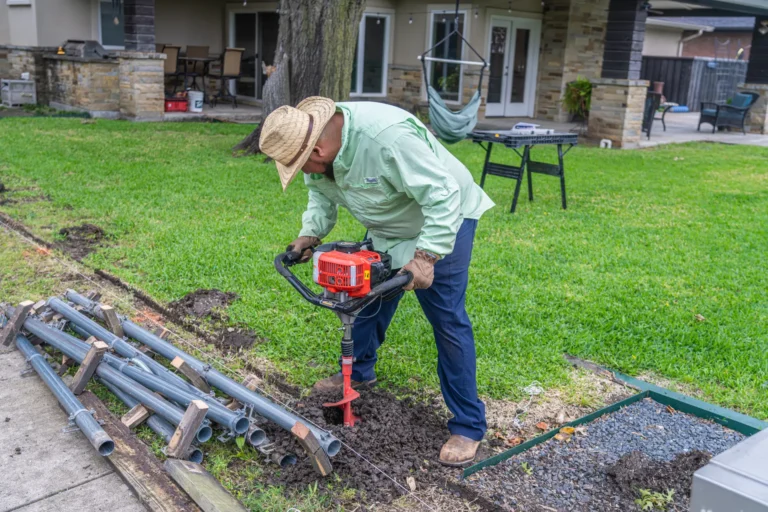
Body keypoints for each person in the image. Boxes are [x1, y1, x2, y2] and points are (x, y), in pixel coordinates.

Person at [259, 97, 495, 466]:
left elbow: (443, 195)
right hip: (388, 226)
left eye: (304, 164)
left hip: (444, 220)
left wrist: (427, 256)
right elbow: (321, 194)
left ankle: (468, 425)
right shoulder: (316, 150)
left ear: (318, 149)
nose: (305, 171)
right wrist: (310, 234)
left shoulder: (387, 139)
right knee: (365, 299)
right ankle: (358, 374)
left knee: (446, 320)